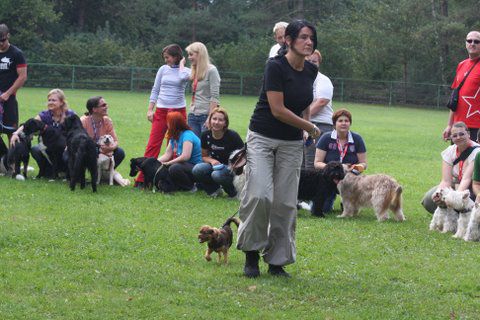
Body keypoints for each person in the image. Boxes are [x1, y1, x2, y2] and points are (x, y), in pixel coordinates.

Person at [237, 20, 321, 278]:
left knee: (285, 203)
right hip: (262, 137)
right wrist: (310, 125)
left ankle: (277, 261)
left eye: (312, 39)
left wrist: (306, 127)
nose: (309, 42)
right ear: (288, 41)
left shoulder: (310, 71)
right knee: (260, 195)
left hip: (292, 143)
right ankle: (251, 255)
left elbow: (304, 101)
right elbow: (278, 110)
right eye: (303, 38)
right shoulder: (274, 67)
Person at [135, 44, 191, 188]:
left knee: (173, 147)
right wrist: (150, 109)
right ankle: (142, 179)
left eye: (167, 57)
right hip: (161, 111)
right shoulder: (162, 69)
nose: (165, 60)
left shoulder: (185, 71)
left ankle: (168, 180)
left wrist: (182, 65)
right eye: (164, 57)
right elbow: (155, 89)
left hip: (178, 112)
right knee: (153, 144)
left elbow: (185, 77)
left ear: (176, 57)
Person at [10, 88, 74, 177]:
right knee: (35, 149)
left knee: (66, 153)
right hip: (49, 146)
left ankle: (67, 172)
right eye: (49, 100)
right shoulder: (45, 114)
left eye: (54, 100)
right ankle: (47, 170)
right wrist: (16, 133)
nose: (50, 102)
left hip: (66, 146)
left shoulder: (70, 115)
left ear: (62, 102)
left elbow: (77, 131)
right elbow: (29, 124)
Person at [314, 108, 367, 213]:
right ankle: (331, 199)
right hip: (330, 178)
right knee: (324, 209)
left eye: (346, 121)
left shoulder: (357, 139)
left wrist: (351, 168)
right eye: (340, 121)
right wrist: (333, 169)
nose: (344, 123)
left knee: (351, 210)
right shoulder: (326, 138)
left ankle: (347, 201)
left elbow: (364, 164)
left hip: (350, 178)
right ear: (334, 124)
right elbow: (317, 163)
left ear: (350, 123)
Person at [422, 121, 480, 213]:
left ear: (468, 134)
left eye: (462, 134)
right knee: (428, 200)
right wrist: (439, 193)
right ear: (451, 138)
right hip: (455, 183)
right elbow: (446, 180)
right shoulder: (449, 151)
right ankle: (451, 214)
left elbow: (466, 179)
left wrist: (454, 197)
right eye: (455, 135)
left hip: (472, 187)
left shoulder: (477, 151)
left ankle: (462, 216)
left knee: (462, 201)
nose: (458, 137)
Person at [192, 107, 244, 198]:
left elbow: (244, 155)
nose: (216, 122)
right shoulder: (205, 135)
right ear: (210, 120)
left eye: (220, 120)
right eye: (214, 119)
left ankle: (233, 193)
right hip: (215, 165)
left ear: (225, 123)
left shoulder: (233, 136)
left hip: (231, 168)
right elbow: (204, 156)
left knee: (216, 174)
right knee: (197, 169)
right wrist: (212, 161)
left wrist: (233, 166)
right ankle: (214, 190)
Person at [443, 31, 480, 141]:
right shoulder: (461, 65)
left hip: (476, 128)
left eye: (476, 41)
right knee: (457, 158)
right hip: (458, 127)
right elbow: (455, 97)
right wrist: (450, 125)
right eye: (469, 40)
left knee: (474, 158)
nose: (472, 43)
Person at [303, 49, 334, 169]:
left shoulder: (323, 80)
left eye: (314, 61)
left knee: (312, 164)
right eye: (308, 60)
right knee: (300, 164)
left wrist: (303, 119)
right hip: (304, 125)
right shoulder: (302, 79)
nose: (311, 63)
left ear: (319, 63)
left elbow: (322, 101)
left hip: (320, 126)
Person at [157, 111, 202, 191]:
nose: (166, 124)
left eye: (168, 122)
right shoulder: (174, 136)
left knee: (174, 168)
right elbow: (167, 155)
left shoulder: (187, 135)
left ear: (174, 124)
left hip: (196, 167)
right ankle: (179, 186)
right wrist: (154, 162)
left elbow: (185, 156)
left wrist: (168, 163)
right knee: (167, 168)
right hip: (186, 166)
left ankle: (191, 187)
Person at [185, 42, 220, 137]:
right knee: (194, 146)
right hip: (192, 114)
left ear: (200, 54)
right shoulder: (195, 70)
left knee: (205, 148)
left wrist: (210, 117)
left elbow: (215, 96)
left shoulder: (212, 70)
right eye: (188, 55)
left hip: (205, 116)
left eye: (191, 54)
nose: (189, 57)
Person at [80, 96, 125, 168]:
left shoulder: (107, 121)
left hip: (104, 149)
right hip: (88, 149)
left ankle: (105, 174)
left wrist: (111, 148)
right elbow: (81, 143)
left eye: (106, 104)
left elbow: (115, 141)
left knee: (120, 152)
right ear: (94, 109)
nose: (106, 107)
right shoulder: (83, 121)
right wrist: (99, 149)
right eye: (103, 105)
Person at [0, 24, 27, 138]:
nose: (1, 43)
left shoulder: (17, 53)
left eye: (3, 40)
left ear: (8, 36)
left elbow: (22, 77)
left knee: (11, 134)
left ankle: (11, 156)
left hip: (9, 100)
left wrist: (7, 93)